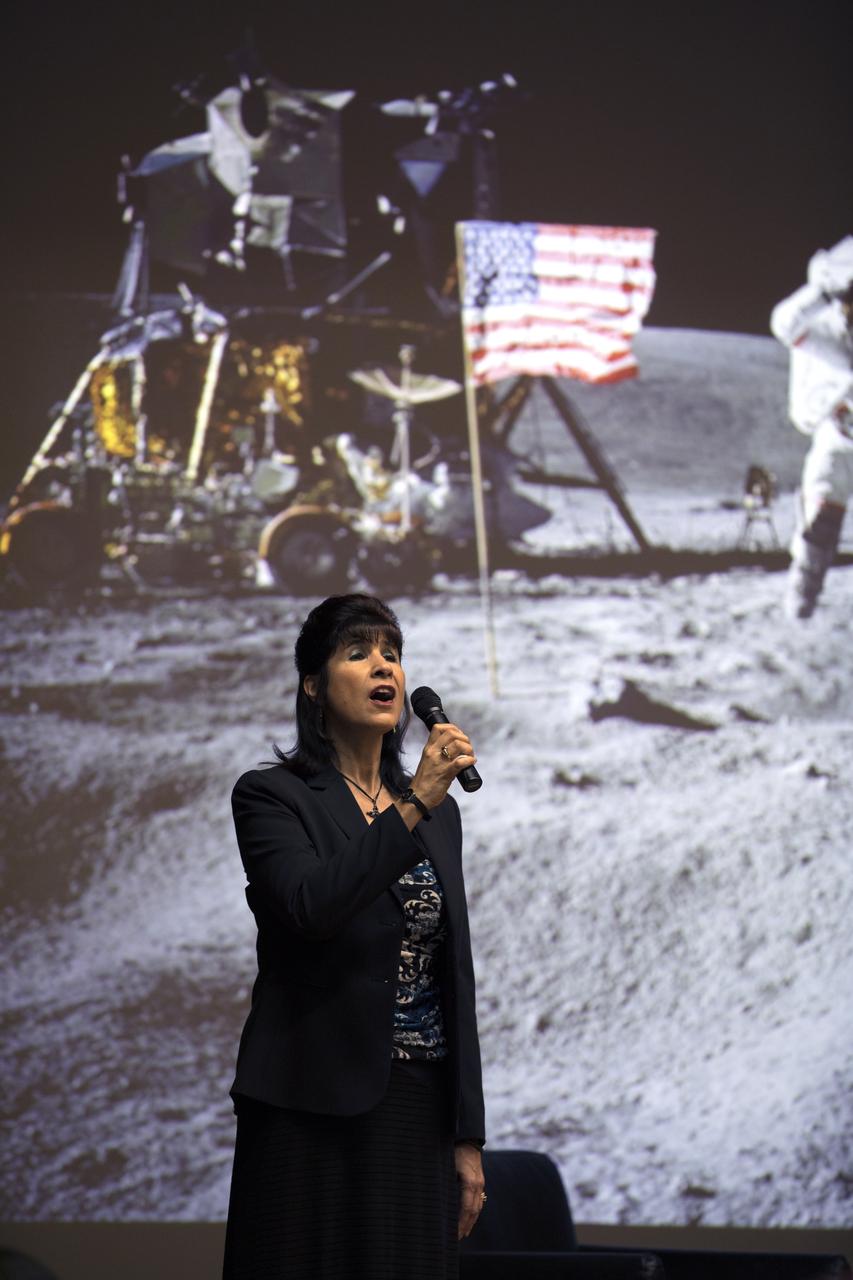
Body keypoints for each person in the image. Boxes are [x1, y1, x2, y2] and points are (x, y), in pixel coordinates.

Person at [222, 593, 486, 1279]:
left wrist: (466, 1135)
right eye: (358, 651)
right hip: (309, 1104)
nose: (384, 668)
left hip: (417, 1109)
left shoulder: (438, 817)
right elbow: (313, 906)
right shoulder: (273, 797)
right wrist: (414, 803)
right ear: (313, 684)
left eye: (392, 654)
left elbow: (451, 974)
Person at [771, 236, 853, 618]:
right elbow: (785, 322)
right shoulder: (823, 329)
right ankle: (800, 604)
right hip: (838, 436)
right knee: (820, 522)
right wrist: (823, 291)